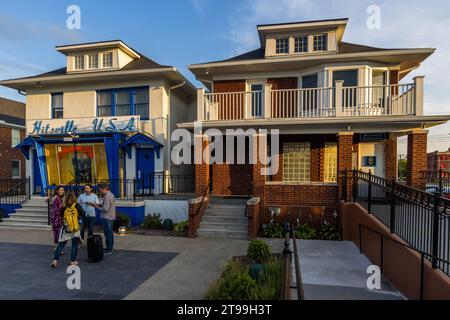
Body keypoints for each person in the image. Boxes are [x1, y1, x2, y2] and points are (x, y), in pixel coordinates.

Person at [51, 193, 86, 268]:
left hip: (66, 228)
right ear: (74, 198)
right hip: (75, 229)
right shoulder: (76, 206)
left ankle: (55, 260)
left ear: (66, 199)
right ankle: (72, 261)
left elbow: (61, 216)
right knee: (74, 245)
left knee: (61, 245)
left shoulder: (63, 207)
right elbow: (83, 213)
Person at [92, 183, 116, 255]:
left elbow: (105, 209)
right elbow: (106, 205)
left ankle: (109, 249)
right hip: (110, 217)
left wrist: (96, 207)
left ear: (104, 189)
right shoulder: (111, 195)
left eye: (100, 190)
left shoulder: (106, 197)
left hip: (106, 217)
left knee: (108, 234)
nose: (100, 191)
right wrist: (99, 205)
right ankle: (110, 248)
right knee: (110, 233)